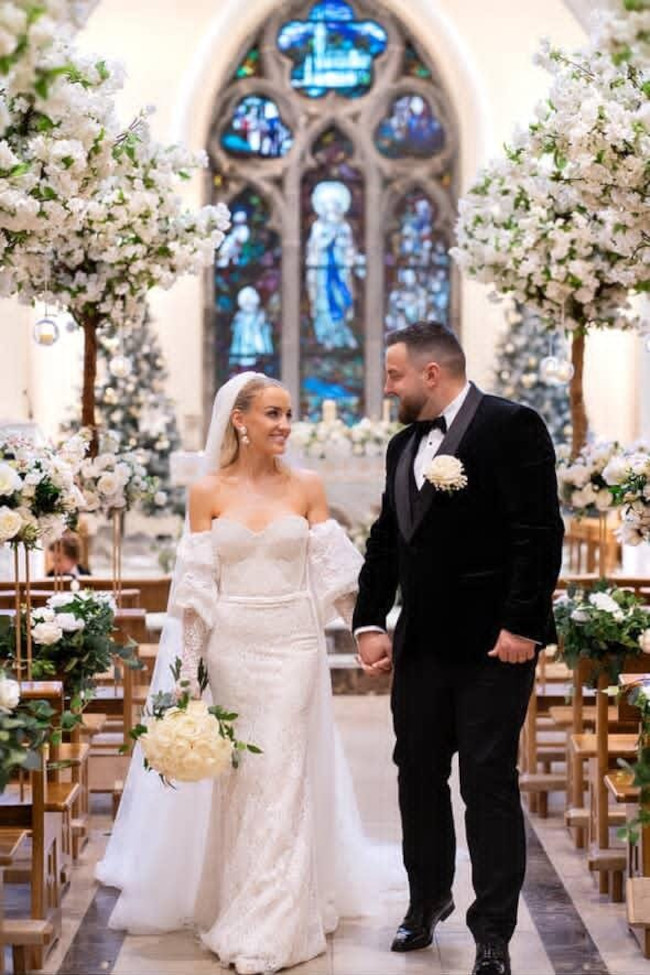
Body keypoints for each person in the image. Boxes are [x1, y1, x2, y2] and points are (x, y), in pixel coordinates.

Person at [96, 372, 382, 975]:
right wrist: (187, 671)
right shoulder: (206, 492)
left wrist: (366, 632)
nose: (285, 425)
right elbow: (197, 590)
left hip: (294, 645)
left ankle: (277, 924)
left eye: (288, 414)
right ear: (239, 420)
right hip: (232, 647)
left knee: (282, 775)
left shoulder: (307, 486)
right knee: (242, 778)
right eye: (273, 414)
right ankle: (237, 901)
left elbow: (336, 575)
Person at [353, 322, 564, 975]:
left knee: (487, 779)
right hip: (421, 643)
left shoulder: (512, 425)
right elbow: (388, 538)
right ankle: (427, 898)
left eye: (394, 376)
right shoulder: (402, 445)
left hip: (493, 646)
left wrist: (522, 625)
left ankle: (493, 930)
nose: (388, 388)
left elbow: (538, 532)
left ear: (431, 373)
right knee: (416, 772)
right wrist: (369, 620)